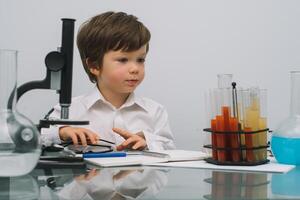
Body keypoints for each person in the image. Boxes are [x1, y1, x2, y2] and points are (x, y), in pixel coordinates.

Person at [42, 11, 175, 151]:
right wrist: (62, 133)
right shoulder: (70, 109)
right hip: (89, 173)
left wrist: (148, 142)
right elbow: (36, 139)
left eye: (140, 60)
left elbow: (170, 149)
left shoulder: (155, 111)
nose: (135, 69)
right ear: (94, 66)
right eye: (123, 60)